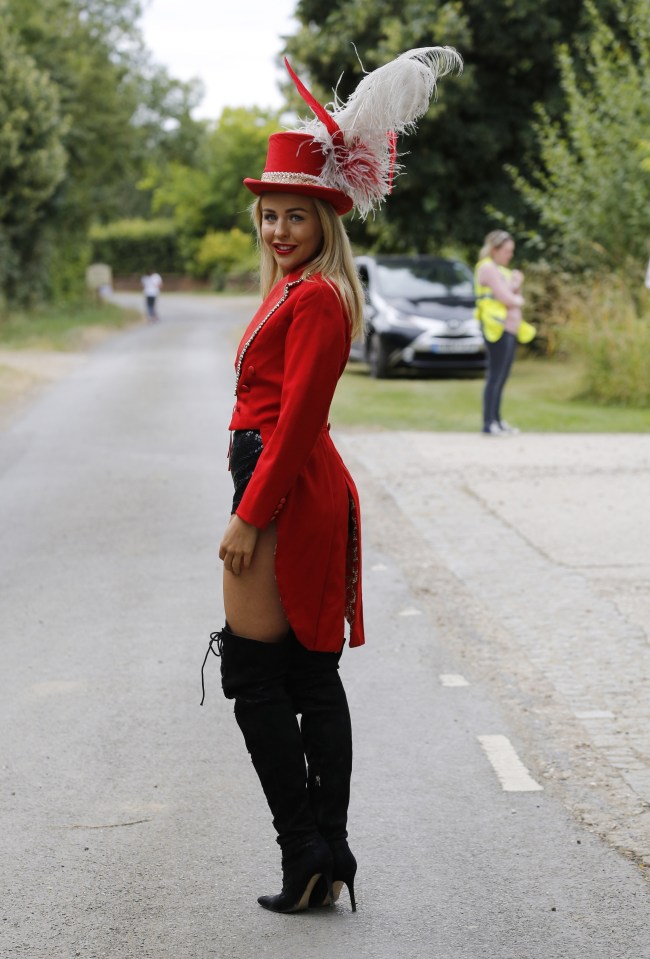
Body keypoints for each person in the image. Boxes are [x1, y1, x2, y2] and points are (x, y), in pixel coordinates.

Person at [200, 47, 462, 915]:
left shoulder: (315, 299)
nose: (278, 230)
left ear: (326, 222)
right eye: (270, 215)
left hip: (285, 479)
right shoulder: (290, 289)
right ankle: (322, 849)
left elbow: (299, 420)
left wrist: (248, 513)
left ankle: (310, 847)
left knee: (260, 672)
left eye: (296, 218)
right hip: (284, 475)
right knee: (298, 672)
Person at [474, 230, 535, 435]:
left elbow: (511, 293)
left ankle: (497, 420)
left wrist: (515, 288)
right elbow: (506, 297)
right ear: (494, 250)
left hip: (509, 328)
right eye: (507, 251)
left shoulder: (502, 271)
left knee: (503, 376)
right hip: (496, 328)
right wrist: (516, 294)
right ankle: (488, 423)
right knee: (495, 375)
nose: (510, 255)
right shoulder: (487, 268)